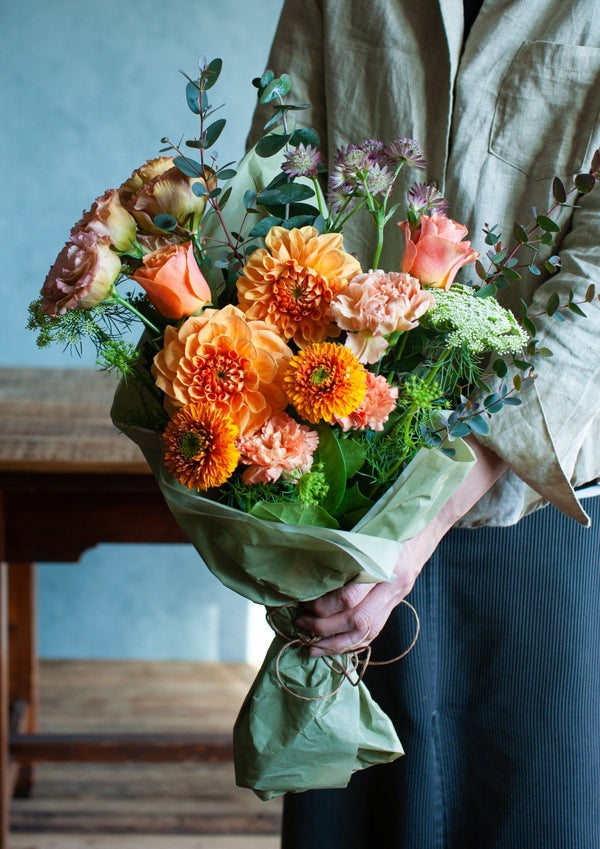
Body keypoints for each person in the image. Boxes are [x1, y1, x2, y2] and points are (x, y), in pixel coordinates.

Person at [248, 1, 600, 847]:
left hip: (543, 500)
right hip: (350, 496)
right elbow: (277, 183)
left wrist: (429, 512)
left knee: (538, 806)